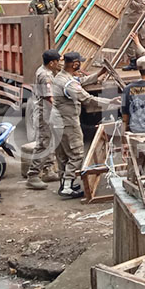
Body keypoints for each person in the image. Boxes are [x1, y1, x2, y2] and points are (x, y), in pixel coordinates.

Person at [51, 52, 120, 198]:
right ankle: (67, 188)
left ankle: (65, 183)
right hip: (67, 122)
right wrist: (110, 102)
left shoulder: (62, 77)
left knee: (63, 154)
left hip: (57, 121)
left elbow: (80, 81)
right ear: (75, 64)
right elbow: (87, 99)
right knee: (76, 153)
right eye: (79, 62)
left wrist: (100, 73)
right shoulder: (68, 84)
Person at [26, 50, 62, 190]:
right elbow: (49, 97)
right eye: (57, 61)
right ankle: (33, 175)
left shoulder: (44, 71)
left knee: (49, 141)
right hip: (43, 114)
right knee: (43, 144)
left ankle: (48, 170)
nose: (58, 64)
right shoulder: (45, 75)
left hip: (46, 113)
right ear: (52, 62)